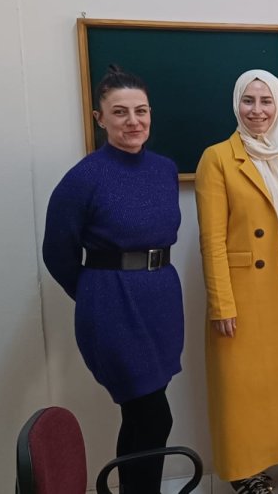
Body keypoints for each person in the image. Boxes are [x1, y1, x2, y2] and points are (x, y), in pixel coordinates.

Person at [42, 65, 182, 493]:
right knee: (155, 417)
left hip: (161, 306)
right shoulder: (83, 179)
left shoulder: (164, 169)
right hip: (113, 310)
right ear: (99, 118)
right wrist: (94, 296)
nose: (133, 121)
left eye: (141, 110)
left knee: (139, 418)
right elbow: (57, 254)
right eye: (120, 112)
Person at [195, 69, 278, 493]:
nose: (257, 110)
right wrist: (221, 303)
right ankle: (242, 472)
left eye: (266, 101)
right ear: (236, 105)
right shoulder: (217, 158)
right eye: (249, 100)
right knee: (242, 388)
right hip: (245, 293)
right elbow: (211, 240)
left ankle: (273, 458)